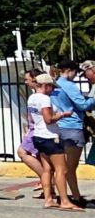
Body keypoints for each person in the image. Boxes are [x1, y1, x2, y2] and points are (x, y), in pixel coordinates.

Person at [29, 72, 72, 209]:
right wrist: (61, 115)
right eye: (51, 87)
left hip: (38, 135)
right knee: (61, 169)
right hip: (50, 136)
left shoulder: (32, 98)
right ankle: (64, 201)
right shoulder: (44, 99)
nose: (52, 89)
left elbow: (32, 118)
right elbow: (49, 119)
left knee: (47, 169)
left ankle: (48, 199)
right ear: (46, 86)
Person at [49, 63, 90, 207]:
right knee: (70, 167)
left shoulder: (54, 85)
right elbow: (82, 105)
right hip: (72, 126)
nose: (76, 76)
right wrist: (92, 99)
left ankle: (70, 196)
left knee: (62, 166)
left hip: (59, 127)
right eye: (75, 73)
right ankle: (72, 197)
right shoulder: (69, 85)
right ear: (69, 71)